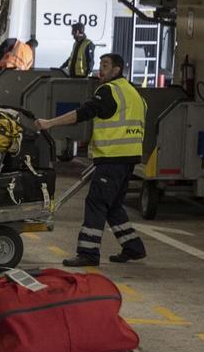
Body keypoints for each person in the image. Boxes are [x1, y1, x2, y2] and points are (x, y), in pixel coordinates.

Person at [35, 53, 148, 266]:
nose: (100, 69)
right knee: (113, 205)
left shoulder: (109, 91)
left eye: (105, 66)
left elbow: (82, 113)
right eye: (100, 65)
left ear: (117, 70)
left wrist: (50, 123)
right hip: (129, 159)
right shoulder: (134, 93)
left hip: (112, 158)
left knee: (96, 203)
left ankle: (88, 253)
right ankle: (133, 247)